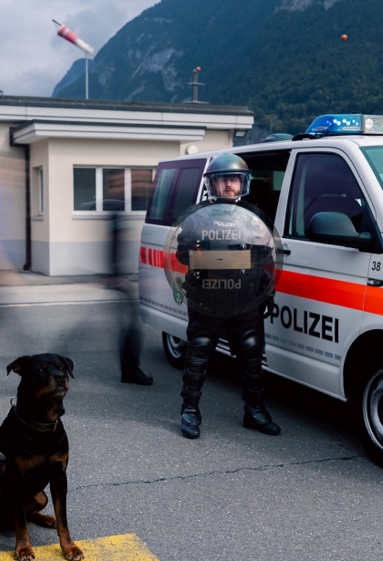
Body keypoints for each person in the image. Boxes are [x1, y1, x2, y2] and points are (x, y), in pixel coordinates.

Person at [176, 153, 281, 439]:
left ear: (242, 183)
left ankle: (255, 410)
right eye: (224, 181)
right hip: (207, 297)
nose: (230, 186)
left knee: (251, 352)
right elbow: (183, 255)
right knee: (199, 349)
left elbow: (266, 259)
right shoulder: (198, 217)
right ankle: (190, 411)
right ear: (214, 184)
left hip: (245, 298)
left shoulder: (253, 218)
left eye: (234, 180)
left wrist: (266, 293)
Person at [109, 208, 153, 385]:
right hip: (117, 276)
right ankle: (130, 370)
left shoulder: (117, 206)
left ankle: (129, 370)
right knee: (132, 326)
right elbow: (113, 242)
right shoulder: (115, 207)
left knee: (130, 325)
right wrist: (114, 273)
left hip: (118, 276)